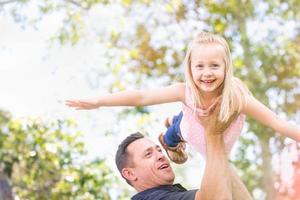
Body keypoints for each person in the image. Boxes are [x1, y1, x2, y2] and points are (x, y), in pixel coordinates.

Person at [66, 32, 300, 164]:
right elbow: (142, 96)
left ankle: (175, 122)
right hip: (189, 129)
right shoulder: (184, 91)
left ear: (226, 67)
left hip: (217, 140)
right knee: (176, 132)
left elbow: (277, 122)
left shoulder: (237, 97)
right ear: (190, 68)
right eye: (199, 66)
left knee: (187, 125)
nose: (206, 73)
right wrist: (98, 102)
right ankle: (172, 130)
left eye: (214, 66)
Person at [115, 104, 252, 199]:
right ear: (130, 173)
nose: (160, 156)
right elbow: (217, 197)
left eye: (159, 150)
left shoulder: (169, 194)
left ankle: (176, 129)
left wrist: (208, 143)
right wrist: (211, 133)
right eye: (148, 154)